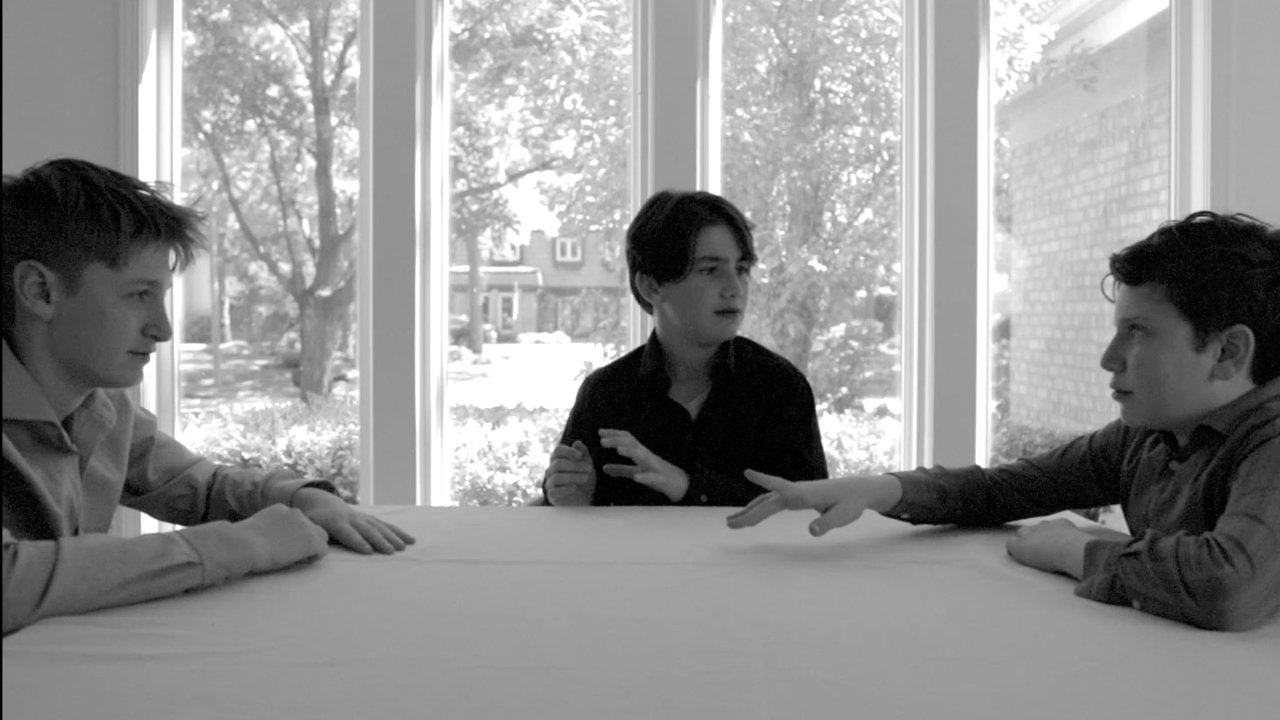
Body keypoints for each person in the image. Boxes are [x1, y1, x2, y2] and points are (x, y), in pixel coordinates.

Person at [727, 210, 1279, 631]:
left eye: (1138, 332)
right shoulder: (1149, 437)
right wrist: (880, 488)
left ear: (1228, 352)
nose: (1109, 358)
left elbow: (1228, 585)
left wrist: (1073, 549)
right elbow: (1005, 490)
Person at [2, 158, 414, 635]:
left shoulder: (103, 406)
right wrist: (245, 545)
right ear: (39, 291)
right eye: (138, 295)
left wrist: (303, 498)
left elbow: (202, 486)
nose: (163, 329)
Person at [542, 190, 828, 507]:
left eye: (742, 269)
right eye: (710, 270)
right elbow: (569, 510)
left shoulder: (780, 388)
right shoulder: (607, 392)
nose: (734, 288)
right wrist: (574, 496)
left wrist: (687, 486)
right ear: (651, 286)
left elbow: (810, 513)